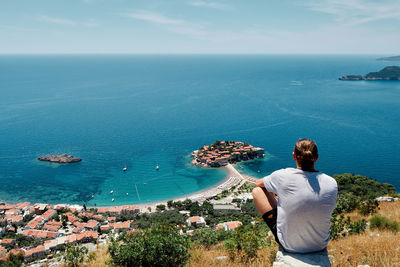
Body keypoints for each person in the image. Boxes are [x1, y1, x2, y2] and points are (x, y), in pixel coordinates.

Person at [252, 139, 337, 253]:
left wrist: (277, 196)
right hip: (319, 244)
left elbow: (258, 184)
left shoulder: (283, 175)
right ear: (316, 157)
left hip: (290, 245)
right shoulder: (331, 182)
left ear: (294, 156)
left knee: (257, 191)